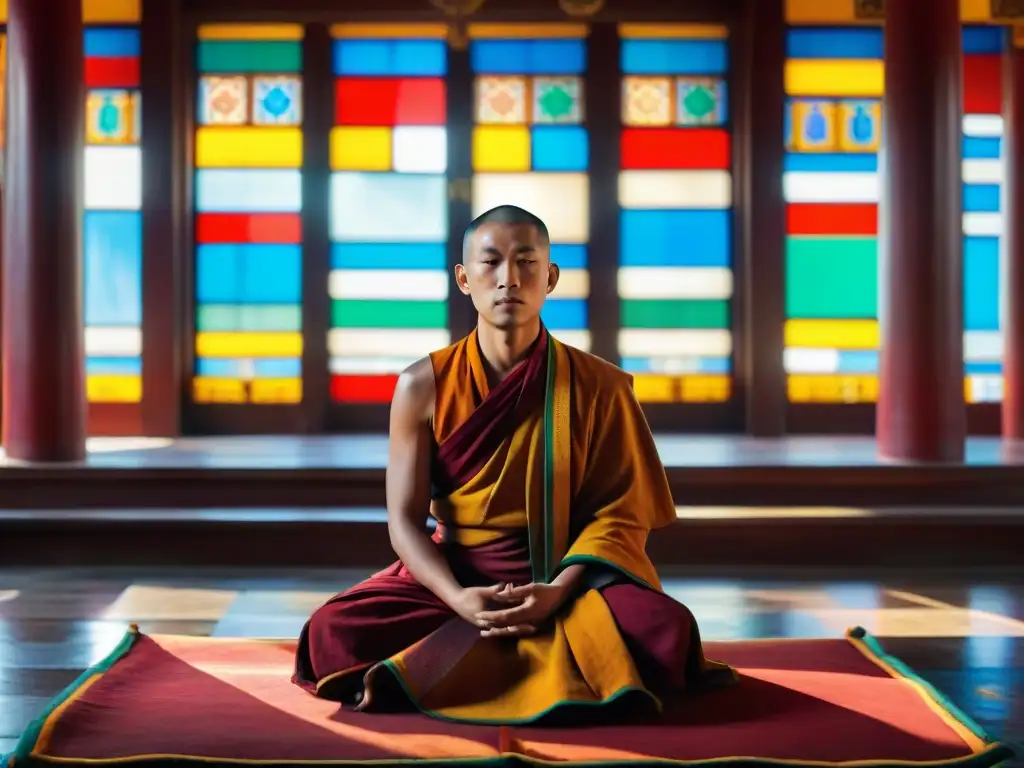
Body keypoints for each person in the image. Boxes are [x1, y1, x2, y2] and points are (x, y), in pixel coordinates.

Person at [293, 205, 736, 724]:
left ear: (550, 277)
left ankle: (473, 658)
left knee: (667, 629)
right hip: (458, 571)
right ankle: (544, 658)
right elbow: (405, 524)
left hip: (567, 577)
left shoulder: (603, 386)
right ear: (463, 278)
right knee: (334, 631)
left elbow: (620, 515)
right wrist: (459, 599)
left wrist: (556, 593)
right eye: (490, 263)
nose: (509, 279)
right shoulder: (422, 386)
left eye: (526, 263)